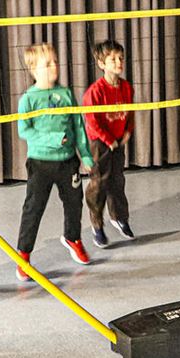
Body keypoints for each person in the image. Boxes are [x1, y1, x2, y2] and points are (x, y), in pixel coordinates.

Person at [15, 43, 95, 280]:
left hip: (67, 162)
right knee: (33, 209)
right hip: (40, 163)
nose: (54, 67)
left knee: (74, 203)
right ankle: (23, 255)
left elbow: (78, 127)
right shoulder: (28, 99)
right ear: (33, 69)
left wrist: (86, 155)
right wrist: (52, 139)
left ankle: (72, 237)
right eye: (47, 63)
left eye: (55, 62)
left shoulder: (66, 94)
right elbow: (24, 130)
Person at [82, 39, 135, 248]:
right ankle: (97, 225)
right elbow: (92, 121)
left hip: (118, 142)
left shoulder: (126, 87)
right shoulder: (95, 92)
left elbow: (131, 112)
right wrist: (108, 140)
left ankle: (119, 218)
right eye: (113, 59)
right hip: (100, 144)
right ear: (101, 64)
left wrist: (128, 131)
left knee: (117, 181)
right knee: (99, 183)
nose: (119, 62)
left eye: (121, 58)